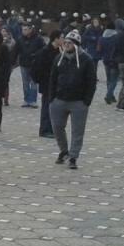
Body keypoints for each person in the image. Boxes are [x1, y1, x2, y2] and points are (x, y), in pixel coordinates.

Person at [49, 30, 97, 169]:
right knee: (57, 127)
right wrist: (52, 98)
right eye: (65, 43)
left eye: (70, 43)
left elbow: (91, 81)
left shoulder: (86, 60)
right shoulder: (59, 58)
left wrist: (86, 101)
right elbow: (53, 78)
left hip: (78, 102)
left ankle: (73, 156)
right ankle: (64, 150)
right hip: (59, 99)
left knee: (77, 131)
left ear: (76, 45)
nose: (67, 45)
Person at [30, 29, 61, 137]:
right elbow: (36, 69)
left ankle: (52, 129)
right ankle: (44, 130)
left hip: (57, 85)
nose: (64, 40)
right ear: (56, 39)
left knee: (54, 108)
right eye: (62, 38)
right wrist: (40, 80)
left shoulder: (60, 51)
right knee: (47, 107)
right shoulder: (45, 52)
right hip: (47, 84)